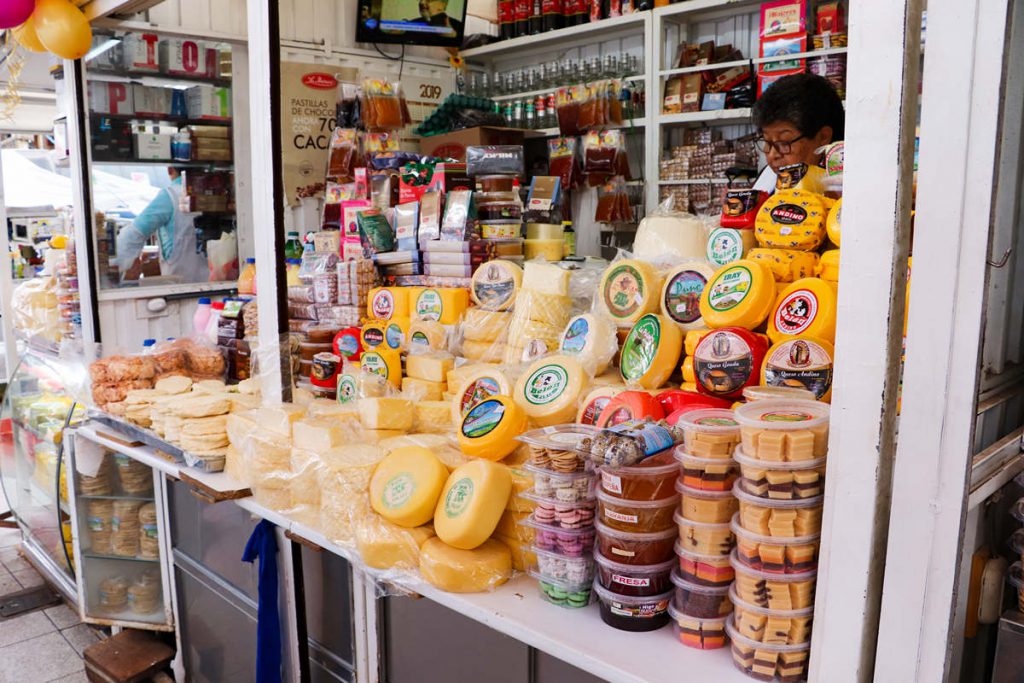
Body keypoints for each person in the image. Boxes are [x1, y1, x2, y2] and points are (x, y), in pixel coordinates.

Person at [750, 73, 845, 192]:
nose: (772, 155)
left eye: (784, 143)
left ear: (822, 137)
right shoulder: (768, 177)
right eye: (767, 141)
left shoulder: (846, 189)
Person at [116, 166, 207, 283]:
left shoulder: (171, 195)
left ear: (170, 170)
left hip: (181, 288)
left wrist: (118, 268)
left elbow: (132, 236)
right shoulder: (217, 194)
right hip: (221, 287)